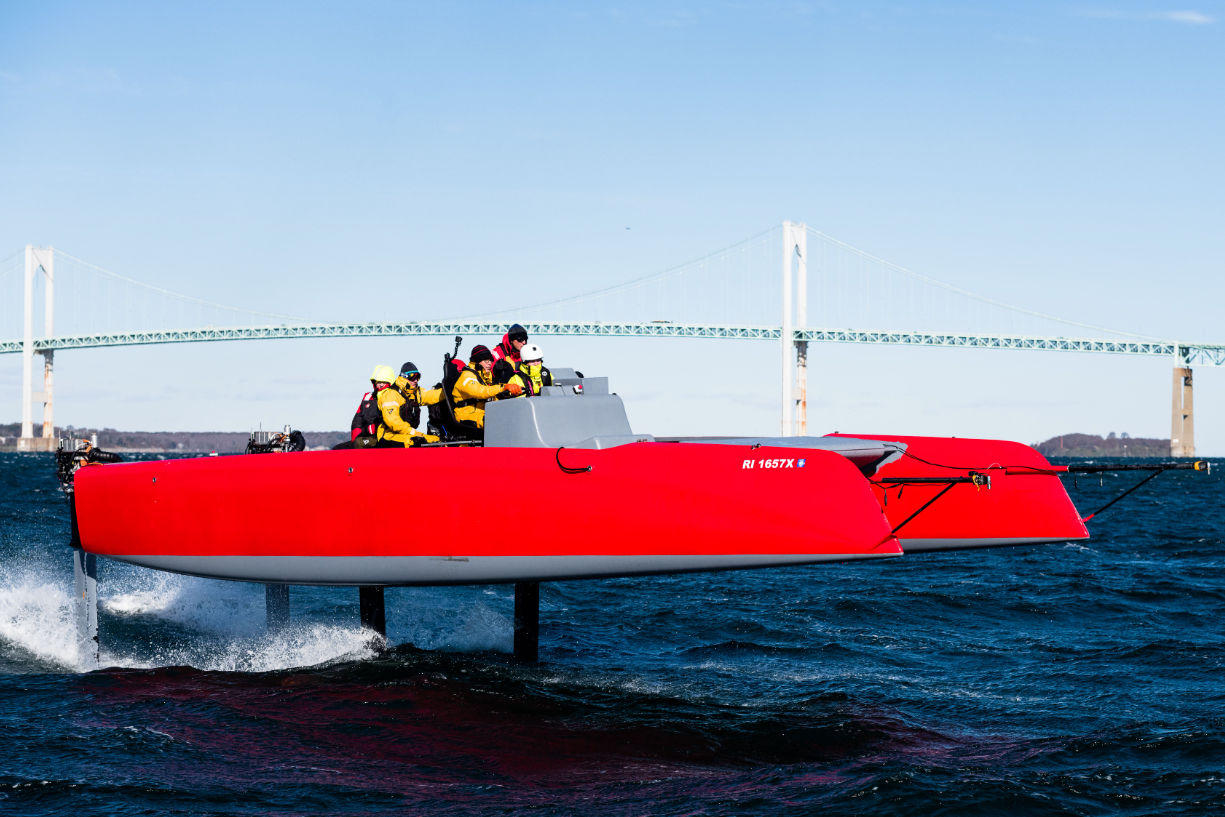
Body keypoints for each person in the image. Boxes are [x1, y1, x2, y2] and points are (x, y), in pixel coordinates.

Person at [377, 362, 444, 447]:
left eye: (418, 377)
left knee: (436, 440)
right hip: (388, 436)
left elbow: (431, 396)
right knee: (418, 442)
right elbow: (393, 421)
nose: (415, 380)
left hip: (407, 434)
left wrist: (447, 391)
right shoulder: (391, 394)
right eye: (412, 376)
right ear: (404, 376)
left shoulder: (414, 393)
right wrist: (413, 432)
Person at [453, 345, 521, 428]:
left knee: (513, 416)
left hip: (483, 412)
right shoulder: (467, 377)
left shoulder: (485, 376)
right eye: (486, 361)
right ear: (477, 362)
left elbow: (493, 394)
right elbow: (481, 391)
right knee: (494, 422)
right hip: (466, 414)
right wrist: (503, 387)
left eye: (490, 361)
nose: (489, 363)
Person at [350, 365, 396, 447]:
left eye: (384, 382)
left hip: (382, 439)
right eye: (378, 382)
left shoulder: (393, 398)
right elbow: (357, 422)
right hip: (364, 437)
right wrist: (356, 439)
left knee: (359, 443)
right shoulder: (367, 397)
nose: (381, 385)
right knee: (339, 449)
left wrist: (370, 430)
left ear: (390, 383)